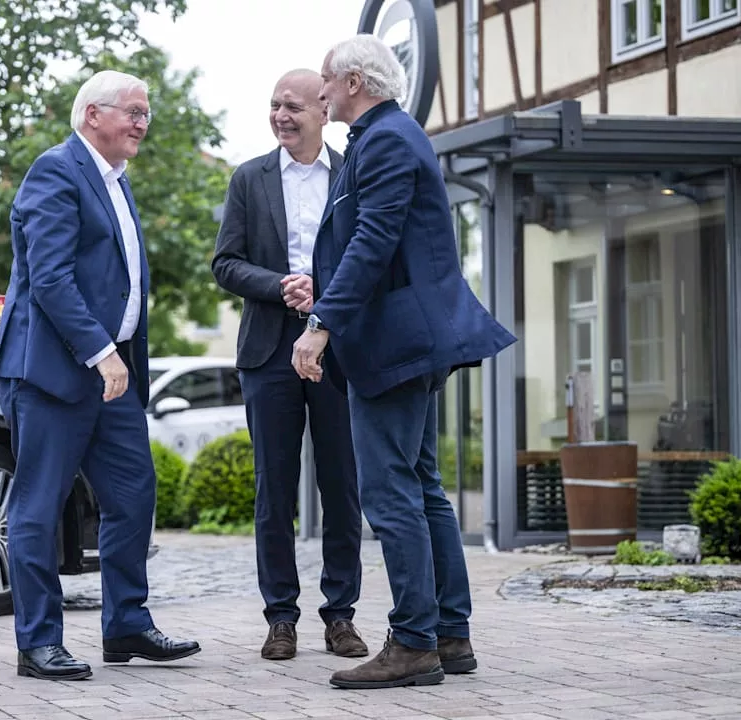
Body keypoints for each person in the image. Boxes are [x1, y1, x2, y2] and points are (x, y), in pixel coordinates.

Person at [292, 35, 517, 690]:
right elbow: (375, 245)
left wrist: (321, 323)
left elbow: (374, 238)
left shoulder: (386, 138)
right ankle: (450, 632)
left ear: (355, 82)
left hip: (395, 345)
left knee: (392, 491)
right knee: (421, 488)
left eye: (328, 82)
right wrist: (325, 288)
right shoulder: (392, 135)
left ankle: (414, 640)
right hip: (409, 338)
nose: (323, 92)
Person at [0, 69, 201, 682]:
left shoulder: (117, 181)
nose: (142, 123)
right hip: (54, 375)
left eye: (146, 114)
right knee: (39, 508)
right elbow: (49, 278)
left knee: (134, 494)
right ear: (92, 116)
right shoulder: (55, 171)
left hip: (114, 378)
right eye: (133, 112)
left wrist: (120, 360)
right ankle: (38, 644)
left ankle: (127, 625)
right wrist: (101, 351)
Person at [212, 69, 367, 662]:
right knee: (273, 492)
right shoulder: (249, 179)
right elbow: (225, 264)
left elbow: (364, 253)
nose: (281, 115)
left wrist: (321, 291)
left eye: (293, 106)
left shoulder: (349, 174)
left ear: (322, 110)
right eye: (274, 105)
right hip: (268, 353)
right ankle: (280, 618)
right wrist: (282, 286)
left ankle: (341, 616)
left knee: (342, 486)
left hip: (337, 350)